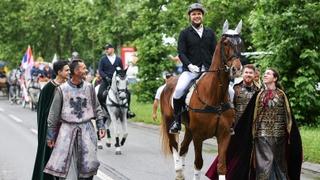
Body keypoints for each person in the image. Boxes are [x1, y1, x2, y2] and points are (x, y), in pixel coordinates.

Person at [206, 68, 302, 180]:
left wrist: (293, 139)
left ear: (275, 78)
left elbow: (289, 119)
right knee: (265, 164)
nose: (265, 75)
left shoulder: (282, 95)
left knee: (279, 165)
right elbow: (248, 117)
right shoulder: (258, 95)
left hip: (279, 137)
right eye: (265, 73)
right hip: (261, 136)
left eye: (268, 74)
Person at [43, 59, 106, 179]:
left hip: (87, 132)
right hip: (67, 133)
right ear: (76, 71)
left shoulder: (89, 87)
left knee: (88, 169)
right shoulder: (62, 89)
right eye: (83, 68)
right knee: (68, 171)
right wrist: (50, 134)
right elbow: (53, 114)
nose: (86, 70)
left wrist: (101, 125)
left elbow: (97, 108)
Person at [170, 2, 217, 134]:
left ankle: (229, 121)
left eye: (199, 14)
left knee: (229, 91)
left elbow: (215, 52)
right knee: (179, 90)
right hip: (190, 70)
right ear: (190, 16)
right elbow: (181, 53)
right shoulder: (184, 33)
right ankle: (177, 122)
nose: (197, 16)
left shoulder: (210, 33)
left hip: (208, 70)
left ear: (202, 16)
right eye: (194, 14)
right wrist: (190, 65)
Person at [32, 60, 70, 180]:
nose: (69, 72)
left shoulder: (69, 86)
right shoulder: (49, 88)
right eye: (67, 70)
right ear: (59, 72)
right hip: (54, 129)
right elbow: (44, 113)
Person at [98, 43, 135, 119]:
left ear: (112, 49)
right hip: (106, 80)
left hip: (117, 81)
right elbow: (100, 70)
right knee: (99, 94)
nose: (106, 50)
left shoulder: (118, 59)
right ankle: (103, 110)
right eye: (105, 49)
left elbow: (122, 71)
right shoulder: (103, 59)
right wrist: (105, 77)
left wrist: (122, 78)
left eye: (107, 49)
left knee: (128, 93)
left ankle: (128, 110)